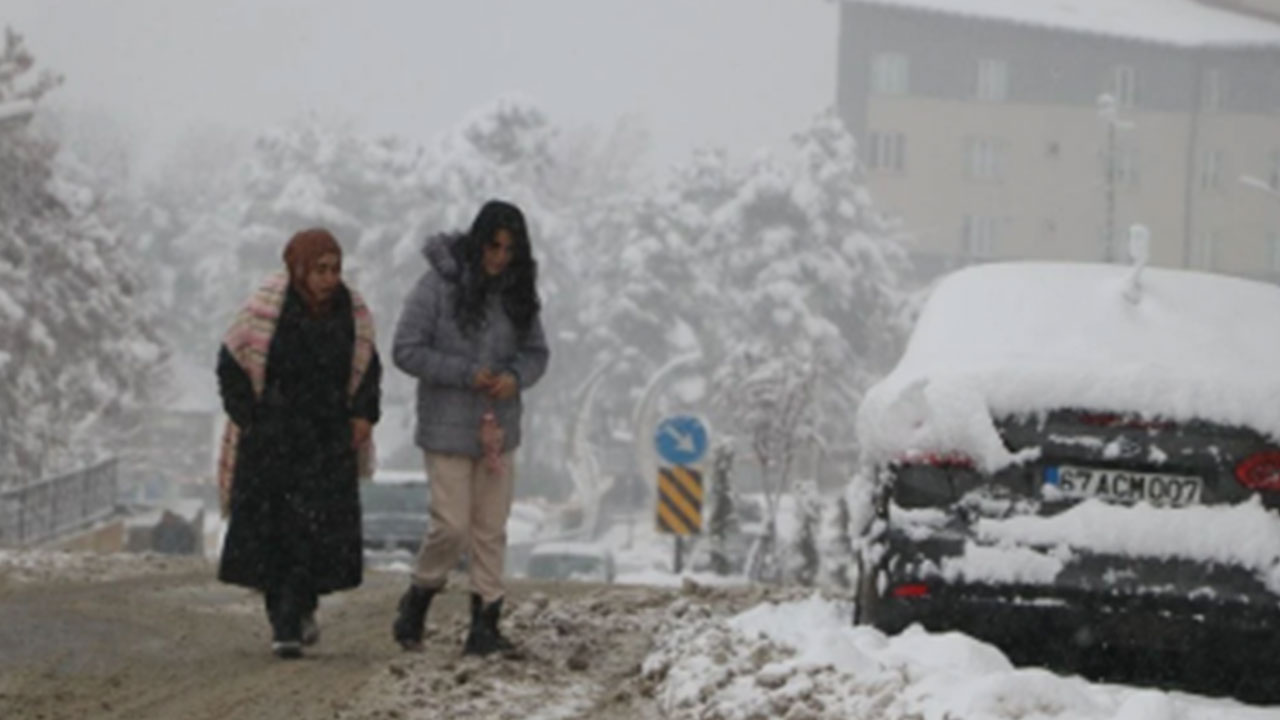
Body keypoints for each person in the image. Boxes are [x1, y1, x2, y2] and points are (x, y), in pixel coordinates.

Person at [391, 199, 549, 656]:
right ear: (478, 242)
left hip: (499, 430)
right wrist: (463, 373)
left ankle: (485, 622)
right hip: (447, 428)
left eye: (509, 249)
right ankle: (420, 594)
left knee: (490, 529)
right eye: (493, 246)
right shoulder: (437, 286)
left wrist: (515, 377)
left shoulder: (520, 295)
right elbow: (406, 349)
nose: (499, 257)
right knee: (451, 527)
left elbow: (538, 353)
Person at [215, 228, 381, 659]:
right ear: (299, 269)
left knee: (317, 535)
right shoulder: (266, 309)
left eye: (335, 269)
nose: (329, 279)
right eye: (320, 270)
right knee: (277, 536)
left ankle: (303, 606)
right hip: (273, 443)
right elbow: (231, 362)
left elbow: (367, 370)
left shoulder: (352, 312)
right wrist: (250, 418)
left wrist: (363, 415)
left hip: (327, 443)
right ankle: (283, 622)